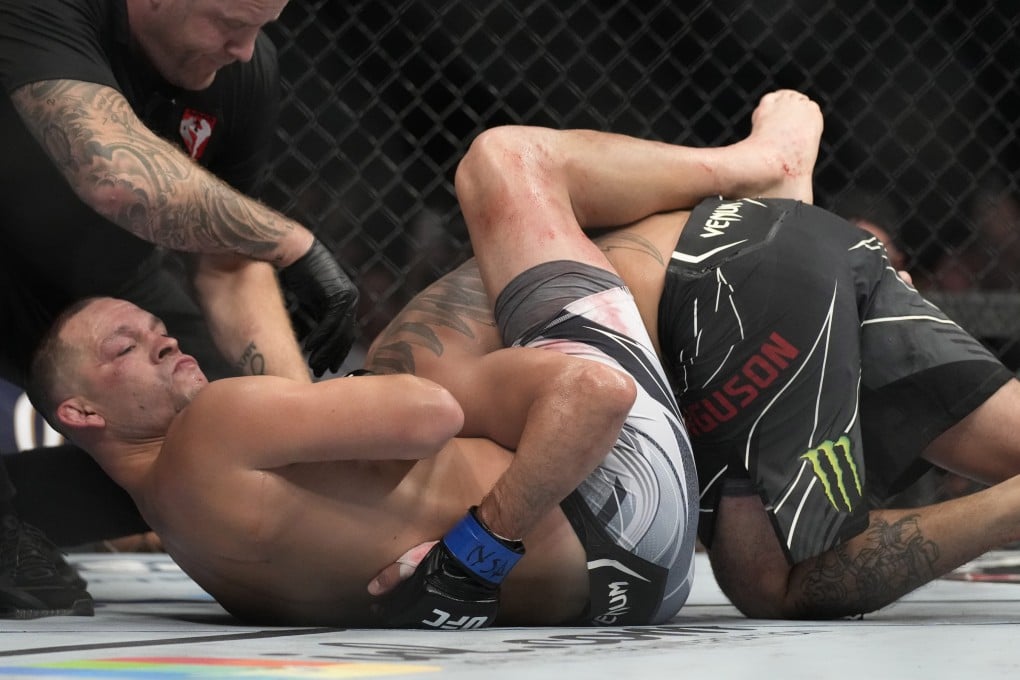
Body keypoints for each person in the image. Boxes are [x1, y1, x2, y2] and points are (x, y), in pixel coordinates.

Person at [368, 89, 1020, 620]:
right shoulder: (486, 301)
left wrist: (473, 550)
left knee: (773, 582)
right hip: (793, 248)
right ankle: (770, 177)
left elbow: (589, 401)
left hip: (727, 296)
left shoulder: (423, 382)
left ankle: (764, 168)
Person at [0, 0, 358, 617]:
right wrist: (296, 245)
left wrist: (298, 421)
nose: (244, 49)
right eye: (230, 23)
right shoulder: (46, 8)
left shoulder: (243, 74)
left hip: (108, 288)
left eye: (260, 27)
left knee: (225, 432)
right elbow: (112, 171)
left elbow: (228, 259)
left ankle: (20, 515)